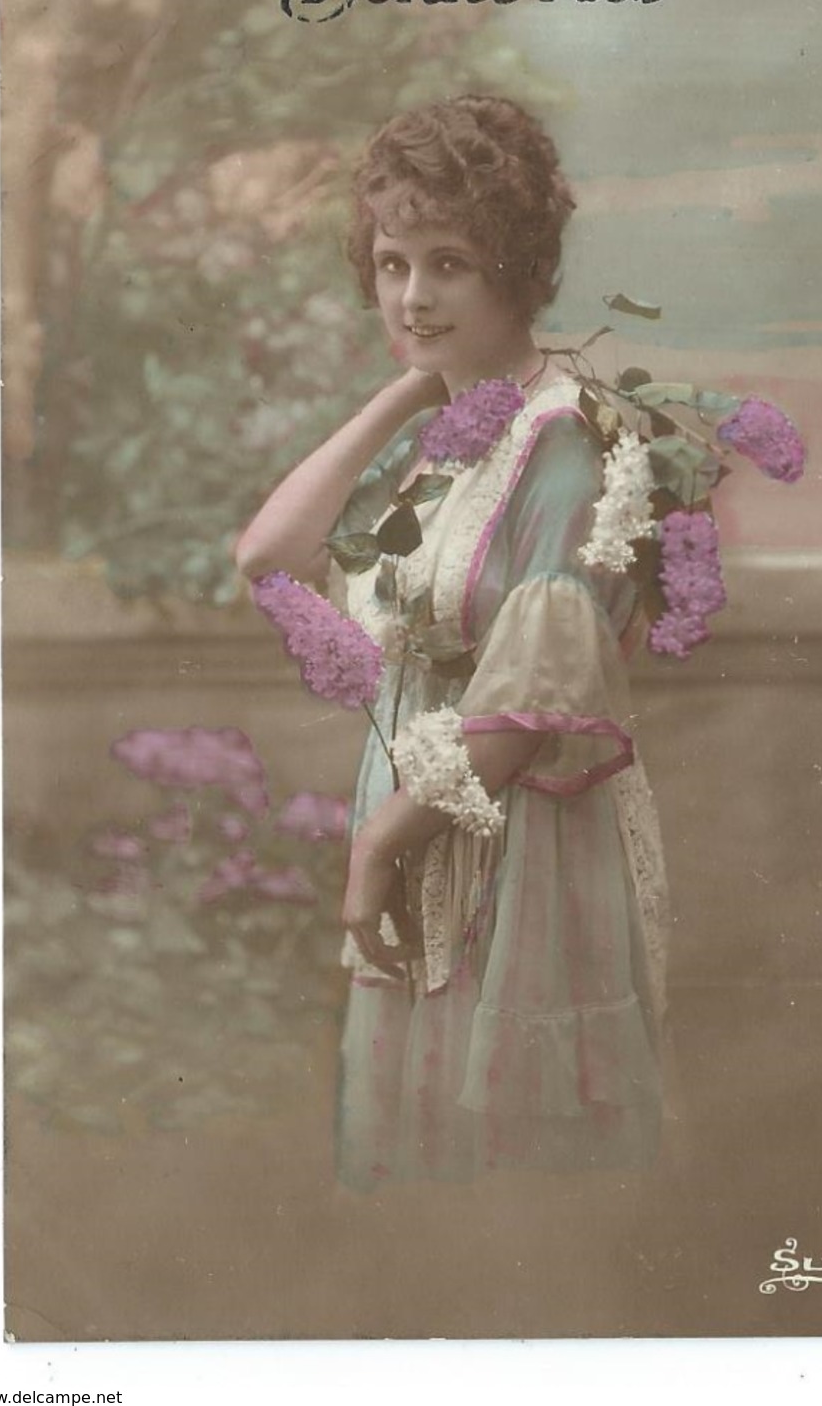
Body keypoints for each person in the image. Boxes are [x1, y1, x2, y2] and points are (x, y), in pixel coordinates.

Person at [236, 94, 669, 1188]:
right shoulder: (447, 443)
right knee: (414, 1164)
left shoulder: (562, 438)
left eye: (449, 264)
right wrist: (406, 394)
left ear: (519, 271)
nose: (412, 295)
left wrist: (383, 844)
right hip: (418, 817)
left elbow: (530, 698)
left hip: (514, 843)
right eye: (391, 264)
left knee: (507, 1174)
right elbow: (268, 557)